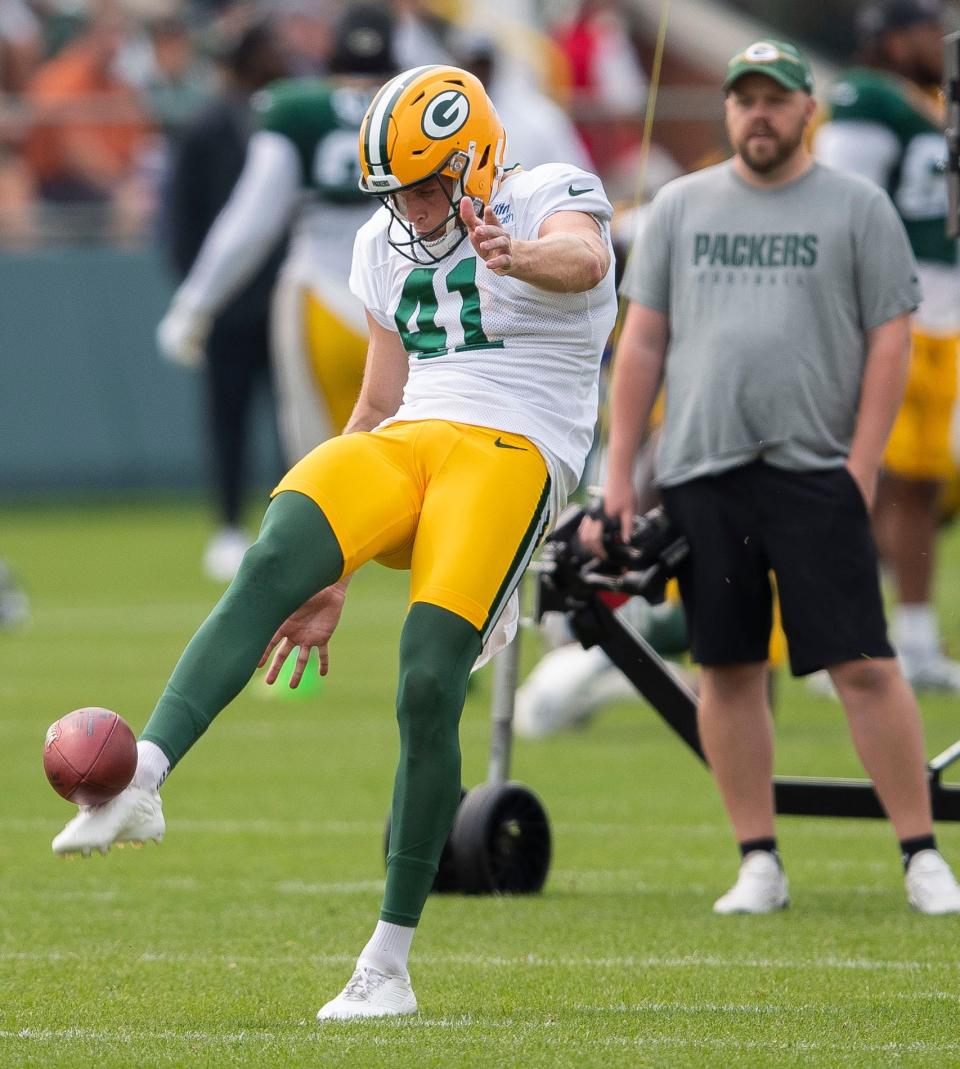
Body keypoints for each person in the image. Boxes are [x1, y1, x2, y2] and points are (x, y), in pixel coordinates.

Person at [51, 64, 616, 1018]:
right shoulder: (382, 243)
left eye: (429, 184)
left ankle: (387, 963)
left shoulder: (545, 193)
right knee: (277, 552)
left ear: (478, 162)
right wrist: (337, 567)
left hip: (516, 446)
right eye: (397, 188)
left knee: (428, 677)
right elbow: (379, 396)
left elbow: (585, 263)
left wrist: (511, 255)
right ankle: (145, 773)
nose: (412, 205)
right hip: (408, 437)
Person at [582, 39, 960, 916]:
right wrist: (619, 474)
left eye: (776, 99)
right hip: (704, 467)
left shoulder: (857, 206)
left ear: (805, 110)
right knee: (728, 665)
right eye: (745, 99)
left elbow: (890, 340)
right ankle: (758, 856)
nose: (760, 113)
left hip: (812, 465)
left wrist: (861, 466)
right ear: (727, 109)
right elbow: (641, 342)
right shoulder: (679, 204)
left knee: (865, 664)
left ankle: (920, 851)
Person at [157, 2, 396, 470]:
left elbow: (252, 220)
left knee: (321, 467)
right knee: (409, 460)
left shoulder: (297, 110)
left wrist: (195, 303)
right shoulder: (424, 105)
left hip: (321, 298)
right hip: (408, 305)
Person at [814, 0, 960, 691]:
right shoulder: (867, 99)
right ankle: (838, 633)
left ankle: (917, 637)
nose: (941, 40)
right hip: (889, 313)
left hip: (943, 314)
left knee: (922, 481)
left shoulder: (928, 98)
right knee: (870, 476)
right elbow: (844, 204)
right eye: (928, 29)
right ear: (895, 40)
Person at [162, 18, 288, 581]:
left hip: (283, 297)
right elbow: (184, 218)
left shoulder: (283, 117)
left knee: (293, 421)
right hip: (231, 307)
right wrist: (199, 294)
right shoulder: (205, 125)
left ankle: (289, 524)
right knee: (228, 418)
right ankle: (228, 526)